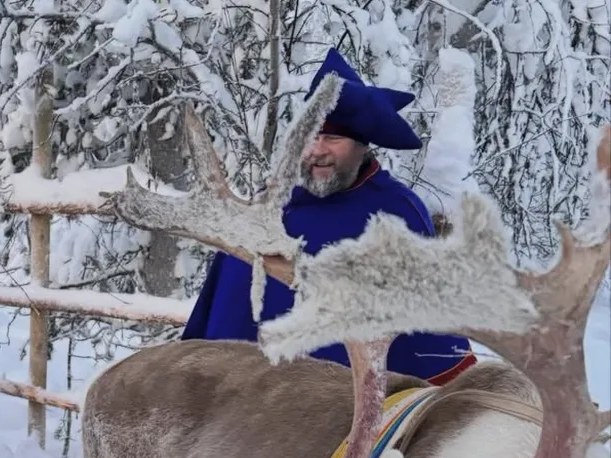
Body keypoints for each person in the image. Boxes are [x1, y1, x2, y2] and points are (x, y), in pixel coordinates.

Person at [182, 48, 477, 386]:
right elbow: (220, 310)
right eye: (311, 136)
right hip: (237, 408)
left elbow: (429, 339)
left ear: (362, 145)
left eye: (333, 138)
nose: (318, 149)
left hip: (332, 418)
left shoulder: (395, 214)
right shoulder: (270, 205)